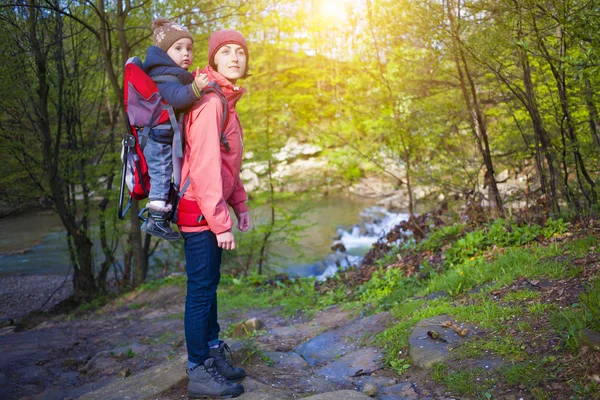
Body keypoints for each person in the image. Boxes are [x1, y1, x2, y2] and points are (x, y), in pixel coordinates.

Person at [176, 29, 252, 399]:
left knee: (210, 287)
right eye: (227, 52)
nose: (236, 58)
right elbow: (205, 167)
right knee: (201, 290)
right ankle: (197, 369)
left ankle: (212, 350)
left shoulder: (226, 100)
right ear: (214, 60)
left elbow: (228, 164)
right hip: (199, 210)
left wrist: (240, 204)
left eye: (241, 52)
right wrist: (221, 222)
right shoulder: (211, 103)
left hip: (211, 208)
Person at [141, 18, 210, 241]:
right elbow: (177, 98)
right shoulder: (164, 76)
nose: (186, 54)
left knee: (166, 175)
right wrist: (196, 89)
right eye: (178, 49)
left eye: (189, 48)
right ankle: (156, 221)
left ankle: (163, 214)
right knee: (161, 175)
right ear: (163, 53)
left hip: (164, 137)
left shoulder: (171, 73)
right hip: (158, 138)